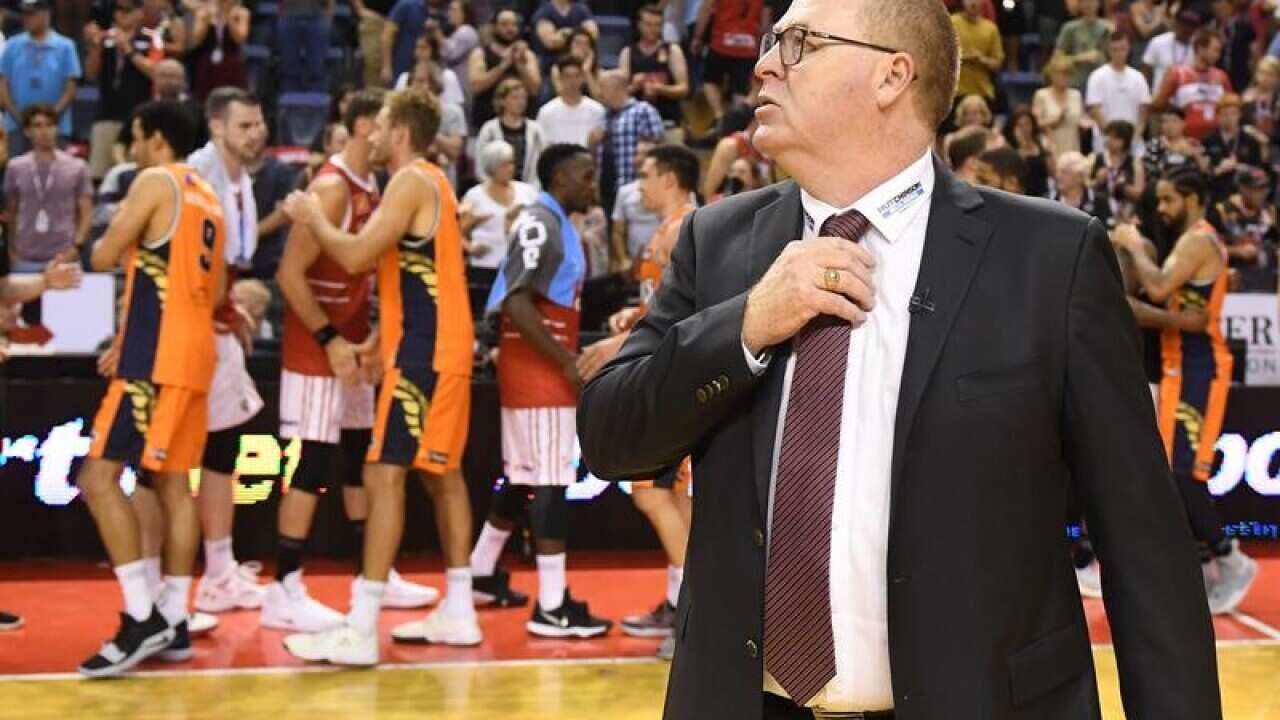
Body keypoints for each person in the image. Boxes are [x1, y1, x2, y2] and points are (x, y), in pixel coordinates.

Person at [578, 0, 1221, 717]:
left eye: (798, 43)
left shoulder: (1050, 257)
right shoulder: (717, 241)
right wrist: (746, 326)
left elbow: (1143, 545)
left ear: (892, 76)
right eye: (769, 43)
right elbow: (610, 437)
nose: (763, 65)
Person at [280, 88, 481, 665]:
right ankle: (460, 609)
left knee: (382, 473)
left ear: (400, 133)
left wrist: (311, 216)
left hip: (425, 353)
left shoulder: (410, 180)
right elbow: (421, 277)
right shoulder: (432, 181)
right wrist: (377, 340)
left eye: (382, 124)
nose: (370, 134)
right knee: (443, 477)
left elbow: (354, 256)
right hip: (432, 345)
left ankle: (362, 625)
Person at [267, 90, 438, 634]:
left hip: (354, 342)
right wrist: (330, 340)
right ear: (366, 126)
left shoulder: (374, 186)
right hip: (318, 348)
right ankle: (284, 586)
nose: (384, 130)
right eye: (380, 121)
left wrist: (366, 340)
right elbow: (289, 275)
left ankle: (373, 574)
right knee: (312, 461)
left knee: (359, 456)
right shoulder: (331, 187)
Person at [76, 100, 225, 678]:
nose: (132, 149)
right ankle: (176, 617)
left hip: (156, 358)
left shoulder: (155, 181)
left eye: (136, 138)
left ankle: (141, 617)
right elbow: (214, 294)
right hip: (195, 353)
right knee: (173, 485)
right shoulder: (208, 196)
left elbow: (103, 252)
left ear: (158, 140)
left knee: (98, 478)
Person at [473, 143, 612, 640]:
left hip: (536, 361)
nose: (593, 184)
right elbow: (516, 302)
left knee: (523, 474)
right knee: (550, 478)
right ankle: (551, 605)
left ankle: (480, 572)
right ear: (558, 178)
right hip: (539, 367)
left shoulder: (555, 221)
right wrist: (565, 361)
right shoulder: (541, 221)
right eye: (585, 175)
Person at [1112, 168, 1257, 617]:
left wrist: (1135, 247)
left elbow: (1157, 287)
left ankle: (1231, 560)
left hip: (1201, 368)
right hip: (1180, 366)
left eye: (1169, 199)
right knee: (1171, 474)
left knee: (1183, 474)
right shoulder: (1193, 239)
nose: (1161, 208)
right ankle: (1204, 565)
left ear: (1192, 198)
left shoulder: (1198, 240)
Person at [579, 144, 699, 658]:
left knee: (652, 495)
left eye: (646, 175)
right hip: (666, 376)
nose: (639, 185)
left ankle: (693, 615)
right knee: (674, 501)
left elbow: (691, 316)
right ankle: (682, 605)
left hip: (673, 382)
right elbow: (668, 307)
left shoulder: (683, 228)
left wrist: (620, 344)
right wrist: (634, 319)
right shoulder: (671, 227)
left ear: (670, 178)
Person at [4, 105, 91, 272]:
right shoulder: (15, 167)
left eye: (50, 125)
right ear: (27, 131)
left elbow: (87, 212)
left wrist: (76, 248)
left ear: (57, 128)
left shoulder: (77, 167)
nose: (45, 131)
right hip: (24, 257)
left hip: (64, 257)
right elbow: (11, 212)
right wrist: (11, 250)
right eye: (38, 125)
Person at [83, 0, 156, 182]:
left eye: (128, 9)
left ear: (139, 12)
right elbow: (91, 74)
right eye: (118, 9)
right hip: (106, 114)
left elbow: (155, 72)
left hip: (138, 117)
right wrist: (94, 48)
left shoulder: (151, 38)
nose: (122, 14)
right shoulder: (104, 38)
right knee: (99, 176)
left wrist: (129, 50)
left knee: (136, 175)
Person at [0, 0, 80, 159]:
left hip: (55, 126)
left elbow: (71, 88)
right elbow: (3, 85)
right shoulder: (12, 45)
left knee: (57, 170)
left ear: (46, 14)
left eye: (32, 14)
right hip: (17, 125)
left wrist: (49, 118)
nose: (27, 18)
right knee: (17, 169)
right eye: (25, 14)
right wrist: (20, 118)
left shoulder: (66, 46)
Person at [460, 140, 539, 288]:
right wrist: (471, 249)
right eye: (504, 165)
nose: (510, 168)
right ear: (491, 167)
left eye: (511, 163)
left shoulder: (527, 192)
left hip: (519, 266)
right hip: (484, 266)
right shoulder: (474, 195)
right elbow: (456, 231)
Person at [597, 70, 665, 217]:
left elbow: (657, 146)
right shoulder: (604, 115)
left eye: (602, 87)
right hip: (607, 185)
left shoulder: (643, 110)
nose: (599, 92)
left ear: (615, 87)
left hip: (635, 185)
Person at [1151, 28, 1232, 142]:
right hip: (1185, 140)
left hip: (1216, 141)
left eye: (1219, 51)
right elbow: (1158, 106)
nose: (1218, 55)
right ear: (1200, 49)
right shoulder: (1178, 74)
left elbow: (1231, 106)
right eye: (1215, 50)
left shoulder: (1221, 76)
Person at [692, 0, 766, 122]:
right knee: (740, 90)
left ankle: (719, 117)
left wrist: (697, 37)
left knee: (709, 80)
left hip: (721, 43)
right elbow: (764, 18)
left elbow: (705, 9)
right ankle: (736, 124)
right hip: (748, 46)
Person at [467, 9, 541, 132]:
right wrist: (503, 66)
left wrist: (520, 66)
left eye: (514, 24)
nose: (510, 29)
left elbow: (535, 90)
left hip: (522, 124)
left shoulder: (527, 55)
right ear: (494, 27)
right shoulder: (480, 53)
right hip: (486, 121)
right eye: (504, 24)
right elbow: (476, 86)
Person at [618, 4, 689, 131]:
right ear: (639, 25)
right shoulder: (627, 53)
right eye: (648, 24)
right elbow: (619, 93)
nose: (653, 29)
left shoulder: (672, 51)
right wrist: (634, 87)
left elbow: (683, 88)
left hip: (668, 121)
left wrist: (660, 89)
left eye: (657, 25)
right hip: (635, 124)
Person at [1209, 164, 1278, 291]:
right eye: (1257, 189)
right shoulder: (1221, 212)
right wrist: (1236, 251)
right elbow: (1207, 248)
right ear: (1242, 188)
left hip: (1266, 286)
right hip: (1233, 286)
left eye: (1265, 188)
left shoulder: (1270, 211)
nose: (1263, 193)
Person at [1086, 31, 1151, 155]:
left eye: (1122, 49)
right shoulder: (1097, 76)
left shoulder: (1138, 78)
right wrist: (1113, 139)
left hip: (1133, 145)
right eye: (1114, 49)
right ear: (1108, 50)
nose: (1119, 53)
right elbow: (1095, 111)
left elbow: (1143, 114)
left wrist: (1132, 140)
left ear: (1128, 49)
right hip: (1105, 143)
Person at [474, 78, 546, 184]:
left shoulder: (536, 130)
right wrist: (493, 186)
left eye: (523, 98)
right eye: (515, 98)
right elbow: (480, 164)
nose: (520, 102)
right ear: (502, 101)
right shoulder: (489, 130)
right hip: (494, 188)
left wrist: (531, 189)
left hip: (529, 188)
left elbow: (543, 161)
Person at [1202, 92, 1267, 201]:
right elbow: (1203, 172)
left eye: (1233, 114)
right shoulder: (1208, 140)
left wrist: (1239, 167)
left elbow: (1259, 171)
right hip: (1217, 192)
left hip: (1245, 193)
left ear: (1239, 115)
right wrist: (1219, 169)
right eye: (1224, 114)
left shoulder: (1250, 140)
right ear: (1218, 116)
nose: (1229, 118)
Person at [610, 138, 660, 272]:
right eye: (637, 153)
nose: (640, 159)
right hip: (635, 265)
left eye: (646, 154)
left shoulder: (672, 190)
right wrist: (623, 260)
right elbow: (617, 232)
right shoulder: (624, 191)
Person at [186, 0, 250, 103]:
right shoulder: (203, 12)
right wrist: (207, 18)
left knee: (234, 99)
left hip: (231, 61)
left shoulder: (241, 12)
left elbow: (240, 38)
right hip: (207, 62)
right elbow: (197, 39)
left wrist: (229, 17)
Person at [536, 56, 606, 147]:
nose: (572, 81)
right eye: (567, 76)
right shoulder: (546, 112)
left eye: (576, 76)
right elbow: (541, 144)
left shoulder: (597, 110)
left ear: (582, 78)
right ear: (560, 78)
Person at [1090, 119, 1145, 224]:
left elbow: (1139, 193)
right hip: (1101, 211)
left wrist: (1123, 186)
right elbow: (1087, 187)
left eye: (1114, 137)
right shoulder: (1098, 158)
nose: (1109, 140)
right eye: (1107, 135)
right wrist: (1098, 181)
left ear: (1125, 140)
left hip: (1126, 212)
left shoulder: (1134, 162)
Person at [951, 0, 1003, 104]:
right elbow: (941, 57)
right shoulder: (951, 23)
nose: (973, 3)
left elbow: (998, 64)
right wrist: (964, 57)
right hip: (954, 92)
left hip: (982, 91)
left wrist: (982, 59)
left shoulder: (991, 29)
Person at [1033, 55, 1086, 155]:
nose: (1064, 78)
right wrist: (1056, 120)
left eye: (1068, 74)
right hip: (1051, 150)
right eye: (1061, 74)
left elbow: (1081, 119)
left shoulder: (1076, 95)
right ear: (1051, 75)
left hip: (1073, 148)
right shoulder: (1041, 95)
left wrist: (1083, 125)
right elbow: (1035, 124)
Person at [1055, 0, 1112, 91]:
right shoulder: (1069, 28)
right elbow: (1057, 60)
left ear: (1098, 3)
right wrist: (1080, 58)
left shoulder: (1107, 28)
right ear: (1080, 4)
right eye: (1085, 1)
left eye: (1092, 1)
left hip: (1101, 84)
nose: (1088, 4)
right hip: (1076, 84)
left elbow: (1115, 57)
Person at [278, 0, 332, 94]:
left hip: (317, 15)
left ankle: (315, 97)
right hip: (289, 14)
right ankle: (290, 96)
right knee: (288, 65)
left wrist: (328, 19)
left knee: (317, 66)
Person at [1143, 8, 1199, 96]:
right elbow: (1146, 71)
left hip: (1186, 100)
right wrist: (1146, 95)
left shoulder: (1198, 48)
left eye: (1191, 27)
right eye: (1184, 25)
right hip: (1159, 98)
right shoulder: (1158, 42)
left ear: (1195, 30)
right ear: (1176, 24)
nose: (1186, 29)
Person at [530, 0, 597, 72]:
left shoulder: (581, 9)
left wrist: (565, 34)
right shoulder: (543, 12)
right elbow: (551, 42)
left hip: (582, 64)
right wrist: (578, 35)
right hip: (551, 66)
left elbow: (592, 35)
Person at [1003, 104, 1054, 197]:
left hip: (1043, 195)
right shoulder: (1009, 149)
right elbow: (1014, 175)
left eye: (1027, 124)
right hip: (1022, 196)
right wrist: (1022, 145)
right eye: (1019, 125)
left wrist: (1049, 152)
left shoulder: (1041, 143)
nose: (1024, 129)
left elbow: (1051, 172)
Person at [1053, 150, 1113, 226]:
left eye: (1064, 172)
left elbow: (1108, 228)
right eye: (1058, 171)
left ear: (1079, 176)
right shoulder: (1049, 200)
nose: (1058, 176)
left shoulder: (1099, 201)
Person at [352, 0, 398, 87]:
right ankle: (372, 92)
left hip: (398, 17)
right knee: (373, 61)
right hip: (373, 16)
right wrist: (360, 9)